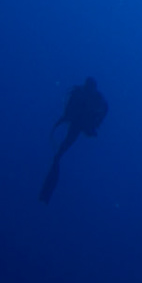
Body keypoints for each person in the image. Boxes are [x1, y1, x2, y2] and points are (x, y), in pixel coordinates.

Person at [39, 76, 110, 204]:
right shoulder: (83, 94)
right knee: (60, 153)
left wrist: (92, 126)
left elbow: (103, 110)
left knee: (60, 153)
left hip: (79, 124)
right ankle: (46, 191)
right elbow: (101, 110)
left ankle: (46, 191)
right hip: (77, 124)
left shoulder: (91, 96)